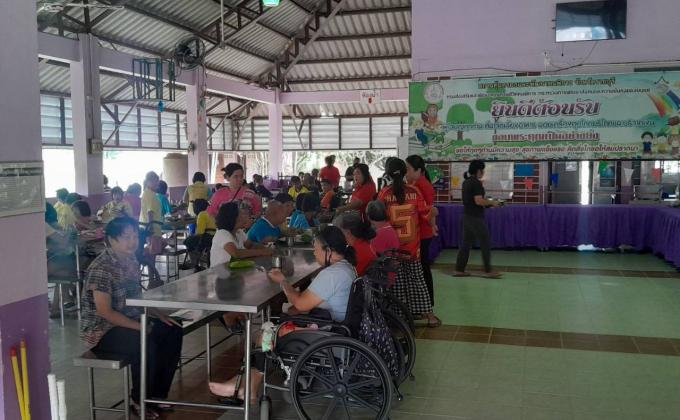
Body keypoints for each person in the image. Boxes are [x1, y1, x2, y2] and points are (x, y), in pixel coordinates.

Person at [209, 226, 357, 403]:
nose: (314, 253)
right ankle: (247, 386)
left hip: (327, 333)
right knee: (269, 329)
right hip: (337, 327)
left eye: (316, 249)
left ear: (328, 251)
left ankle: (246, 386)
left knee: (266, 334)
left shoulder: (331, 275)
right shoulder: (346, 268)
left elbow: (300, 304)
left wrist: (283, 282)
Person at [80, 217, 182, 419]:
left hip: (130, 321)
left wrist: (158, 314)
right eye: (126, 237)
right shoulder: (101, 268)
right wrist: (141, 327)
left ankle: (157, 395)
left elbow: (136, 298)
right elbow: (105, 312)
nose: (133, 241)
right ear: (111, 240)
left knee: (173, 329)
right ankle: (139, 399)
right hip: (103, 332)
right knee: (145, 341)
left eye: (135, 236)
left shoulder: (131, 260)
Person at [378, 158, 440, 328]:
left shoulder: (384, 193)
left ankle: (400, 319)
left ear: (388, 174)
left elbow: (379, 219)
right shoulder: (414, 191)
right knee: (418, 281)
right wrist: (434, 211)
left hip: (393, 249)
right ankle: (431, 317)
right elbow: (426, 214)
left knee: (397, 284)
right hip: (412, 248)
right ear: (404, 172)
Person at [454, 160, 502, 278]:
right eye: (482, 170)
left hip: (467, 216)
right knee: (485, 241)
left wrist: (488, 203)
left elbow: (474, 200)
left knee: (466, 243)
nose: (483, 172)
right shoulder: (476, 183)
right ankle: (488, 271)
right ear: (478, 170)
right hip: (475, 218)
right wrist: (493, 203)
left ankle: (459, 269)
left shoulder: (466, 182)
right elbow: (478, 201)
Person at [406, 155, 439, 307]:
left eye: (408, 169)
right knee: (420, 268)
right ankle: (422, 302)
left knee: (423, 268)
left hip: (423, 233)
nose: (406, 172)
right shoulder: (414, 183)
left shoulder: (423, 185)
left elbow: (430, 210)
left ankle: (428, 302)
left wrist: (432, 225)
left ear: (418, 170)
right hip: (418, 231)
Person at [210, 202, 272, 267]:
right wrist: (262, 252)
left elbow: (250, 245)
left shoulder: (239, 232)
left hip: (235, 269)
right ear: (233, 218)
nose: (245, 217)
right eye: (241, 214)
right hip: (220, 272)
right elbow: (236, 253)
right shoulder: (222, 233)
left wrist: (265, 248)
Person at [45, 203, 77, 318]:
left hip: (32, 267)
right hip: (40, 268)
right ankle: (74, 295)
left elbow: (51, 245)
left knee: (64, 274)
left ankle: (55, 308)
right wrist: (69, 231)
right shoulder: (43, 225)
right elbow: (63, 241)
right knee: (72, 264)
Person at [334, 211, 377, 276]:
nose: (337, 235)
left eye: (338, 231)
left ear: (347, 232)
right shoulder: (363, 243)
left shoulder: (357, 252)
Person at [140, 171, 165, 254]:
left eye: (157, 181)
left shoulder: (148, 193)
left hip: (152, 227)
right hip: (152, 228)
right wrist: (150, 226)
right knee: (153, 252)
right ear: (148, 182)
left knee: (154, 249)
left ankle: (143, 255)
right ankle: (142, 256)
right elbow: (150, 212)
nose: (157, 183)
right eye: (154, 181)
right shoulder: (150, 195)